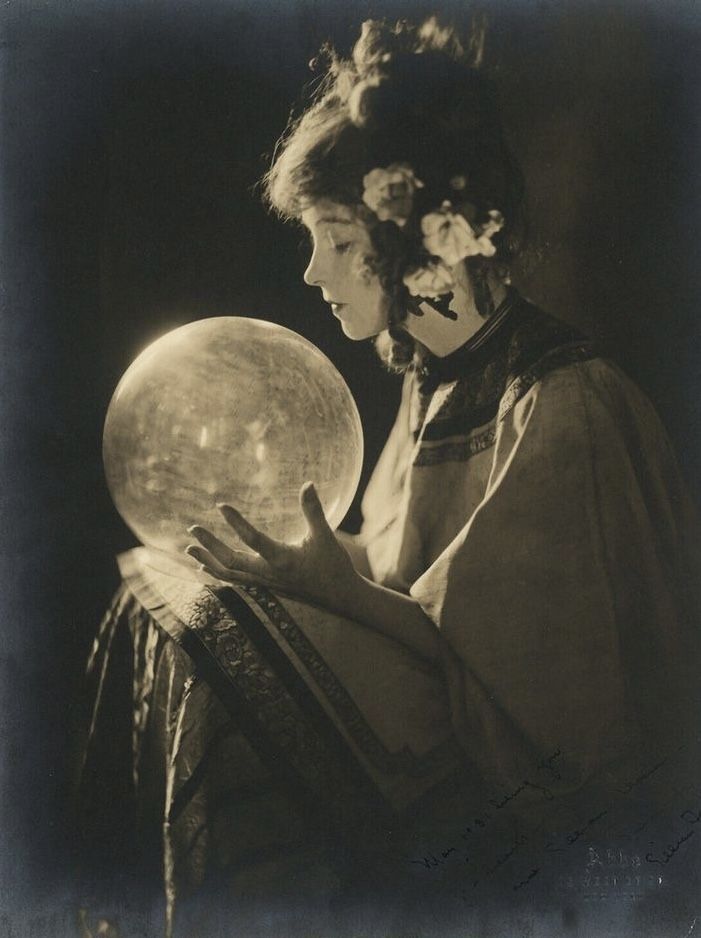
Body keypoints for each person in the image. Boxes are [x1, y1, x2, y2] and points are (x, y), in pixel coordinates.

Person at [79, 15, 701, 937]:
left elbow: (543, 718)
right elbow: (407, 575)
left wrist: (333, 588)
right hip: (453, 758)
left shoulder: (563, 404)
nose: (310, 271)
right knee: (174, 591)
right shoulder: (433, 378)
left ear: (421, 243)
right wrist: (309, 561)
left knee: (225, 647)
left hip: (543, 838)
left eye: (335, 239)